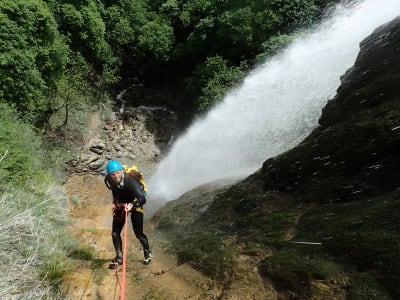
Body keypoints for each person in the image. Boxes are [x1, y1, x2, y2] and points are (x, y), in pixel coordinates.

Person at [104, 160, 152, 268]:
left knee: (138, 233)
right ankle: (119, 257)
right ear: (109, 175)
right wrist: (114, 202)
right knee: (115, 233)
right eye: (113, 174)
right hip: (121, 203)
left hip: (135, 202)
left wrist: (132, 205)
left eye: (117, 173)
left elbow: (142, 198)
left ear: (121, 171)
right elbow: (115, 191)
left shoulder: (130, 181)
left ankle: (147, 252)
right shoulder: (109, 180)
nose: (115, 176)